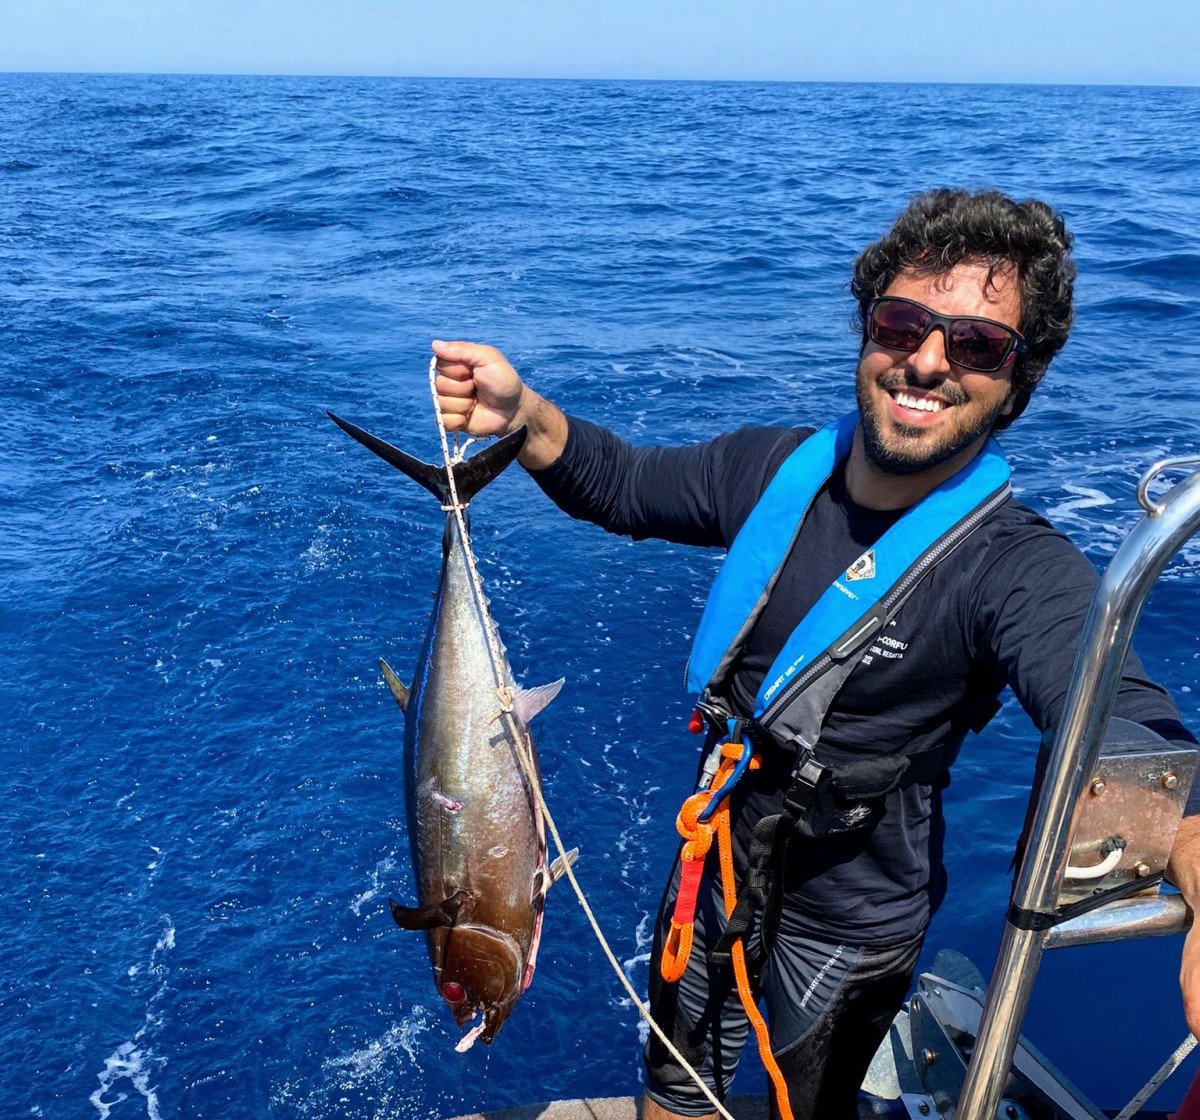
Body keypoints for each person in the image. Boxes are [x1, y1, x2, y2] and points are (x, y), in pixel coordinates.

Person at [428, 188, 1200, 1120]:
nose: (925, 360)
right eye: (902, 323)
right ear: (868, 330)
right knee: (674, 1095)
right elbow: (628, 487)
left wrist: (1193, 844)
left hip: (851, 924)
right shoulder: (776, 469)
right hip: (713, 867)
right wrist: (523, 412)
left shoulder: (1017, 569)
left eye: (976, 344)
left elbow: (1114, 706)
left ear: (1015, 379)